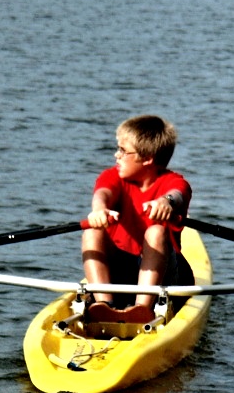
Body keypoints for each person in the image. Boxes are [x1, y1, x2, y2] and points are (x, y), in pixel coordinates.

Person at [82, 115, 194, 322]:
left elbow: (177, 194)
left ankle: (142, 309)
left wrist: (165, 202)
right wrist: (98, 210)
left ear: (147, 158)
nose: (116, 155)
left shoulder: (175, 182)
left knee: (156, 231)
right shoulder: (113, 176)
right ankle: (104, 305)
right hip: (121, 270)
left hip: (165, 278)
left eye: (123, 151)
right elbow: (102, 195)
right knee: (91, 230)